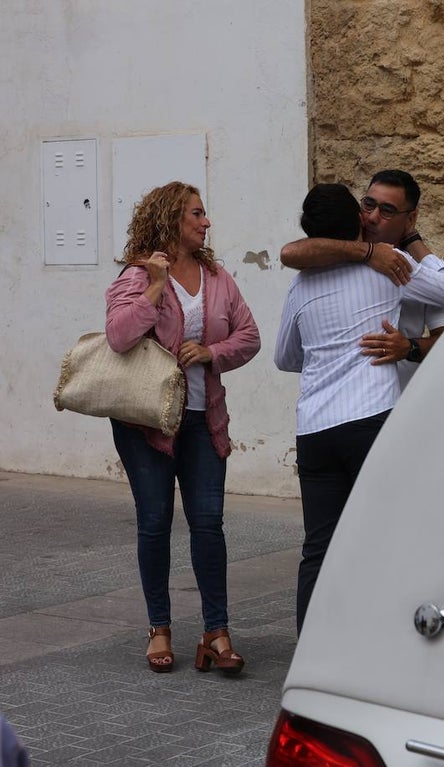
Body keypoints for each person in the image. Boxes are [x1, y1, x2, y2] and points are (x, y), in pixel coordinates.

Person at [274, 183, 444, 634]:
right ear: (358, 221)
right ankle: (383, 643)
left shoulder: (300, 289)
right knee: (385, 537)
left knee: (318, 547)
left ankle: (311, 652)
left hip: (314, 428)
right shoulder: (390, 268)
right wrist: (411, 243)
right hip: (371, 420)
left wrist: (323, 354)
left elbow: (285, 359)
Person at [105, 181, 261, 674]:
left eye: (205, 214)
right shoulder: (136, 274)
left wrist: (212, 352)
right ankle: (159, 629)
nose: (206, 222)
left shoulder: (217, 276)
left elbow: (250, 336)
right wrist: (154, 285)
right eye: (196, 214)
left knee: (209, 525)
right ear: (171, 218)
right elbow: (119, 335)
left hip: (202, 420)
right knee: (154, 524)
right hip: (146, 423)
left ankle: (216, 632)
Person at [280, 170, 444, 389]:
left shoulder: (417, 273)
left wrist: (410, 347)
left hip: (403, 402)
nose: (372, 217)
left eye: (387, 211)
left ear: (410, 218)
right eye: (369, 205)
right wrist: (369, 251)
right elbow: (290, 253)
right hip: (344, 408)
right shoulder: (332, 258)